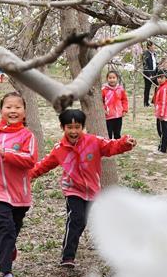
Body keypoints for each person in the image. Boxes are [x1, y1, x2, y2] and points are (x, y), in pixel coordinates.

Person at [30, 109, 137, 268]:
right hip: (72, 189)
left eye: (77, 127)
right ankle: (68, 256)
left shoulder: (94, 141)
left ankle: (73, 242)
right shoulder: (60, 149)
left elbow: (111, 146)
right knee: (75, 218)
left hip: (92, 190)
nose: (74, 131)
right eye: (69, 127)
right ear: (62, 127)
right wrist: (28, 176)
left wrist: (125, 142)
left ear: (83, 127)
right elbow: (45, 165)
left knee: (82, 221)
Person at [0, 93, 37, 277]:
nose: (13, 111)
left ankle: (9, 245)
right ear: (1, 110)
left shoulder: (27, 135)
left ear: (24, 112)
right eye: (8, 107)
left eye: (17, 107)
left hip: (19, 193)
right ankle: (6, 271)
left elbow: (30, 160)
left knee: (14, 226)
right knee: (5, 226)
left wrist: (7, 154)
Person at [102, 69, 129, 139]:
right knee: (108, 134)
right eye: (110, 78)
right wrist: (103, 110)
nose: (112, 80)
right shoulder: (104, 90)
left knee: (117, 133)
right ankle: (109, 148)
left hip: (118, 116)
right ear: (107, 79)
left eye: (114, 78)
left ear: (117, 78)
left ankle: (117, 148)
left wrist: (124, 110)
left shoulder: (120, 89)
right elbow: (101, 101)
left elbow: (124, 100)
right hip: (108, 116)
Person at [142, 42, 158, 107]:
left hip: (154, 73)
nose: (154, 47)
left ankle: (154, 100)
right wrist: (149, 75)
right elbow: (145, 65)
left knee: (158, 86)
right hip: (148, 73)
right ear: (149, 46)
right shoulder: (145, 54)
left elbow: (154, 64)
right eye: (153, 46)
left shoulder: (154, 54)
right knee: (147, 88)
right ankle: (146, 103)